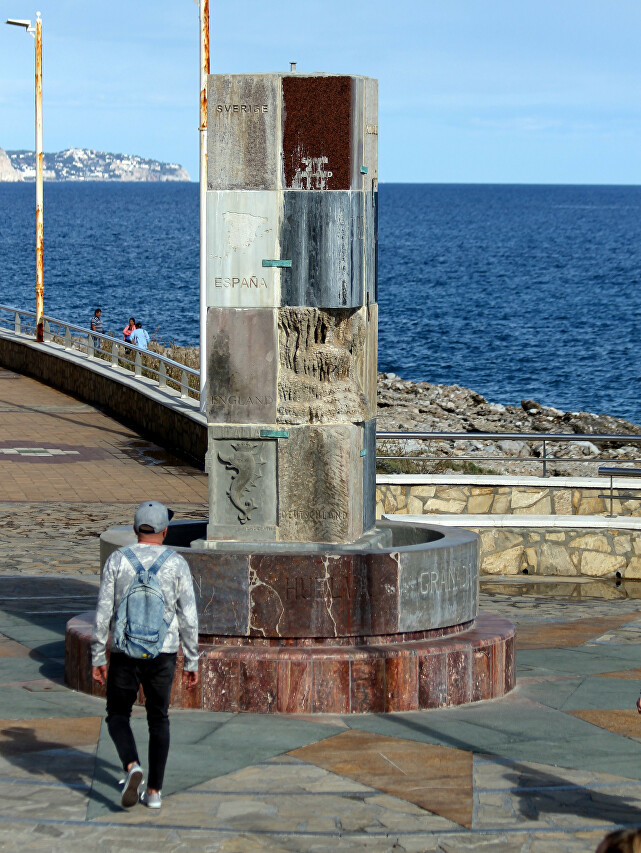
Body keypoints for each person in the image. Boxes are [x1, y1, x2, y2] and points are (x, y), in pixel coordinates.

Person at [91, 501, 199, 810]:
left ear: (137, 529)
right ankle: (153, 792)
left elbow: (102, 613)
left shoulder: (117, 560)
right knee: (158, 719)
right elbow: (189, 618)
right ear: (165, 531)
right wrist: (192, 661)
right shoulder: (177, 563)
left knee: (117, 715)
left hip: (124, 652)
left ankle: (131, 765)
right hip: (162, 653)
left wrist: (98, 655)